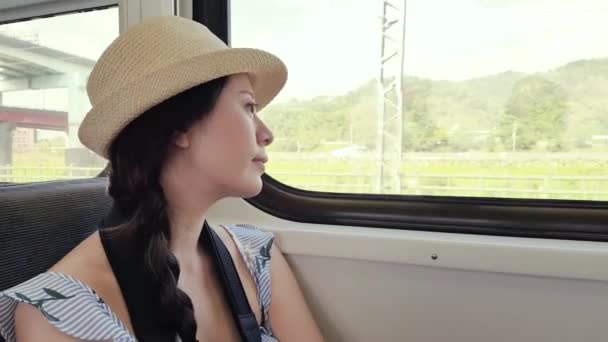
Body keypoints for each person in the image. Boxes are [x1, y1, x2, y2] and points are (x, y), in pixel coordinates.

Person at [0, 16, 324, 342]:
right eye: (249, 106)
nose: (266, 134)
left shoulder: (256, 256)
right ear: (179, 127)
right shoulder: (59, 313)